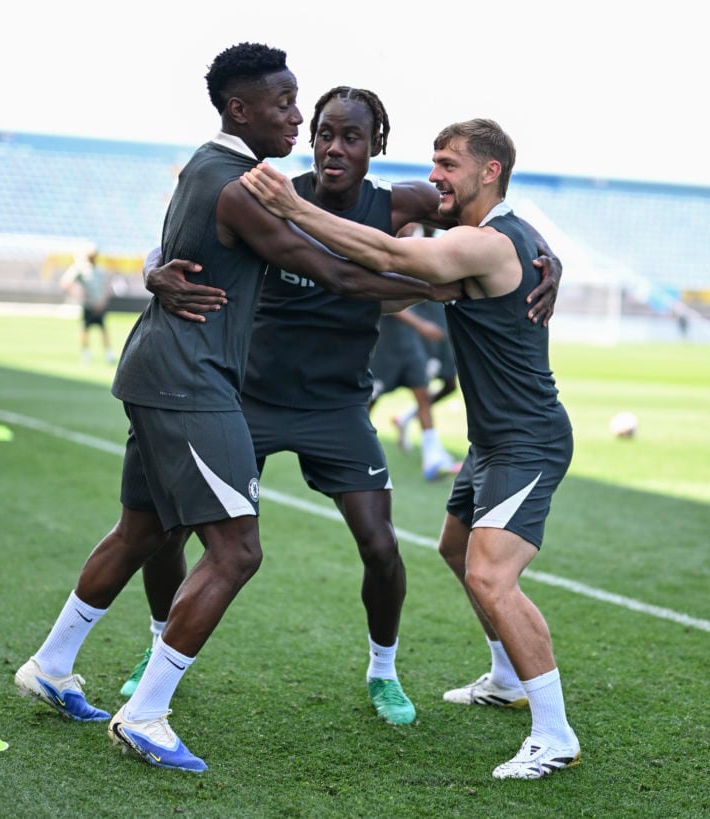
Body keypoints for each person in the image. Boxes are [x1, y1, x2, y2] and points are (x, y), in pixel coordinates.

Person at [13, 44, 464, 773]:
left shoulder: (207, 166)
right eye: (289, 107)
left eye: (303, 106)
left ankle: (51, 664)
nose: (299, 120)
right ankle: (147, 711)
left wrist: (159, 274)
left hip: (176, 372)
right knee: (236, 550)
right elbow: (329, 270)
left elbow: (185, 249)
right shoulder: (244, 188)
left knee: (139, 529)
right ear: (239, 109)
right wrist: (448, 285)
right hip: (195, 382)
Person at [121, 88, 561, 730]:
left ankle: (384, 672)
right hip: (251, 399)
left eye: (350, 136)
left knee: (383, 547)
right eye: (324, 132)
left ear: (374, 145)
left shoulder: (404, 203)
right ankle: (158, 646)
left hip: (339, 408)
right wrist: (152, 271)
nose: (334, 146)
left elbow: (494, 239)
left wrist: (549, 261)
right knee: (170, 530)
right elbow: (178, 238)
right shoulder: (267, 192)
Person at [242, 118, 580, 780]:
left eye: (448, 164)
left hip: (527, 440)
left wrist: (292, 208)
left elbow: (395, 258)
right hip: (494, 441)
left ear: (491, 172)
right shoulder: (502, 242)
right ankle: (508, 677)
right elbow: (397, 285)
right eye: (433, 162)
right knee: (456, 550)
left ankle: (555, 732)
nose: (434, 176)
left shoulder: (486, 243)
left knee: (490, 574)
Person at [368, 303, 462, 480]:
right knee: (368, 400)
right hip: (387, 343)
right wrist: (421, 325)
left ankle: (433, 460)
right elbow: (384, 299)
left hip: (413, 344)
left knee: (423, 396)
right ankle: (351, 446)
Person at [60, 247, 115, 364]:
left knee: (103, 329)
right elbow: (65, 282)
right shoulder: (80, 269)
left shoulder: (99, 270)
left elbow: (106, 287)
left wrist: (102, 301)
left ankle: (108, 353)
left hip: (99, 306)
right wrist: (78, 293)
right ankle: (86, 354)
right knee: (85, 330)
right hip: (88, 305)